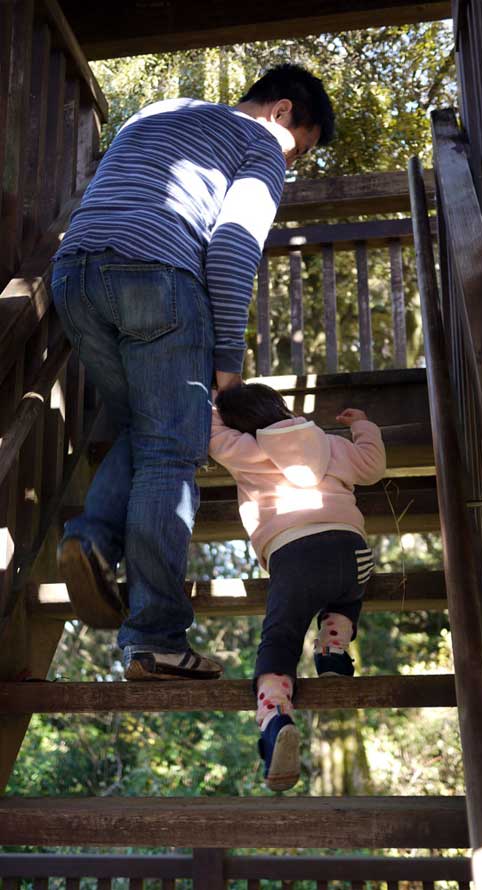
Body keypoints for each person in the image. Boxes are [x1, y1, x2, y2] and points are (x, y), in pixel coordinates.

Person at [50, 64, 335, 681]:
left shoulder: (161, 109)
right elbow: (233, 244)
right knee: (172, 452)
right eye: (300, 149)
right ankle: (155, 637)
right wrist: (227, 364)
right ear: (282, 112)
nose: (293, 162)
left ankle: (93, 538)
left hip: (74, 273)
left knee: (139, 424)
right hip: (156, 278)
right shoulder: (259, 141)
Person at [210, 382, 386, 791]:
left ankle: (275, 719)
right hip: (353, 551)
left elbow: (210, 433)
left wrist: (214, 401)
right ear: (283, 407)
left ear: (238, 425)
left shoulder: (245, 450)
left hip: (295, 558)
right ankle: (333, 650)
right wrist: (363, 425)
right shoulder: (330, 444)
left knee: (282, 638)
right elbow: (373, 466)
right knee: (348, 591)